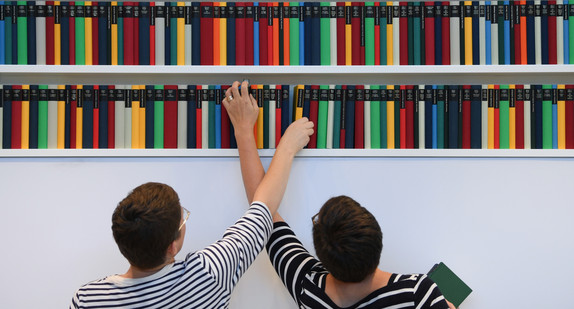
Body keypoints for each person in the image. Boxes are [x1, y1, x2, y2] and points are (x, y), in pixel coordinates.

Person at [69, 80, 314, 309]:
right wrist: (283, 145)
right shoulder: (208, 275)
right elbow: (263, 208)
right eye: (182, 218)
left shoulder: (88, 300)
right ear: (172, 247)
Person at [234, 111, 457, 308]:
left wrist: (249, 132)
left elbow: (263, 210)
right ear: (378, 242)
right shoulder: (418, 294)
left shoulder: (309, 290)